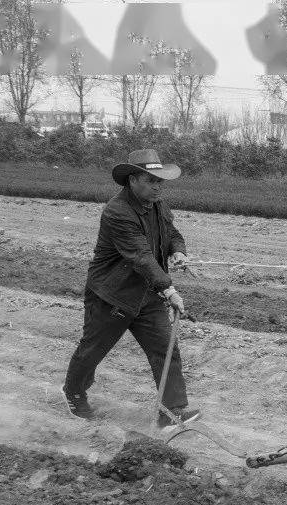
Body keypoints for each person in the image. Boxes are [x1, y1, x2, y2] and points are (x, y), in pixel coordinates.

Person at [62, 148, 200, 428]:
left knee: (165, 348)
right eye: (151, 180)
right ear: (133, 180)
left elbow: (171, 233)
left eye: (160, 180)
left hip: (147, 295)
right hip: (112, 295)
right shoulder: (117, 212)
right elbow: (140, 256)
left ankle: (170, 411)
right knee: (93, 350)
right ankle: (74, 393)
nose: (158, 186)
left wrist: (178, 252)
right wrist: (169, 289)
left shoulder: (157, 203)